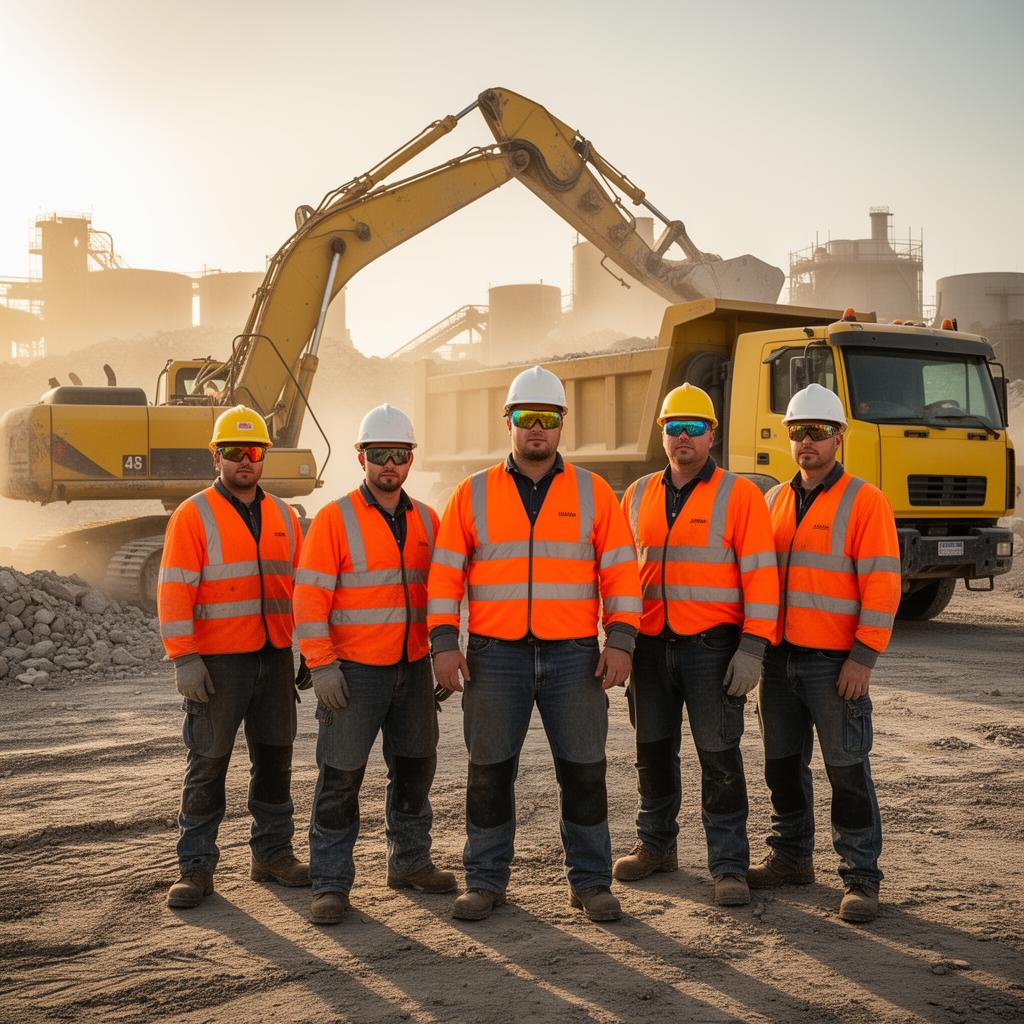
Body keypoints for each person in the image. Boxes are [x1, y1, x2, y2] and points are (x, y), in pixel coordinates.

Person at [428, 365, 642, 923]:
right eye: (527, 418)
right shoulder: (470, 493)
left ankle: (592, 882)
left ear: (562, 424)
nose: (537, 430)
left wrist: (620, 640)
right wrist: (444, 642)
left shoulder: (594, 493)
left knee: (584, 770)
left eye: (548, 419)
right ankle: (485, 881)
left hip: (575, 655)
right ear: (509, 423)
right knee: (489, 770)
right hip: (495, 655)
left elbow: (620, 573)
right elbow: (445, 575)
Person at [613, 384, 779, 907]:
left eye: (693, 428)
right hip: (650, 647)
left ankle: (729, 865)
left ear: (712, 434)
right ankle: (656, 846)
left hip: (713, 649)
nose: (682, 437)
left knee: (719, 756)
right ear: (662, 433)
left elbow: (762, 577)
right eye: (673, 427)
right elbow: (620, 575)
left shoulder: (740, 495)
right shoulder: (638, 493)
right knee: (652, 751)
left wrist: (753, 647)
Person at [294, 405, 454, 925]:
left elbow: (444, 595)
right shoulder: (334, 520)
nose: (390, 463)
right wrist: (321, 666)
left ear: (410, 460)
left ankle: (409, 864)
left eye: (400, 455)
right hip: (354, 674)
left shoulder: (428, 521)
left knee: (414, 771)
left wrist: (442, 652)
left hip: (411, 671)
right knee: (340, 777)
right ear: (361, 458)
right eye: (380, 454)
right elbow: (310, 599)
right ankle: (330, 884)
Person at [750, 383, 901, 924]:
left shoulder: (866, 501)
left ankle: (861, 878)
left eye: (818, 431)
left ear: (840, 436)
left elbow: (883, 586)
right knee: (782, 767)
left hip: (835, 665)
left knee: (846, 770)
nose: (807, 440)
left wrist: (863, 657)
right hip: (778, 660)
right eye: (798, 431)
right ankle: (791, 859)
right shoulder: (773, 501)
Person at [158, 405, 307, 908]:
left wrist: (307, 649)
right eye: (234, 451)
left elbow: (304, 591)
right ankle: (195, 869)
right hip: (218, 664)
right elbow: (175, 590)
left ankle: (272, 854)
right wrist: (184, 658)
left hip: (274, 656)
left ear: (265, 455)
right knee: (208, 762)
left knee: (275, 759)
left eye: (255, 451)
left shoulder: (286, 515)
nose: (246, 460)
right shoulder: (193, 514)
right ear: (215, 456)